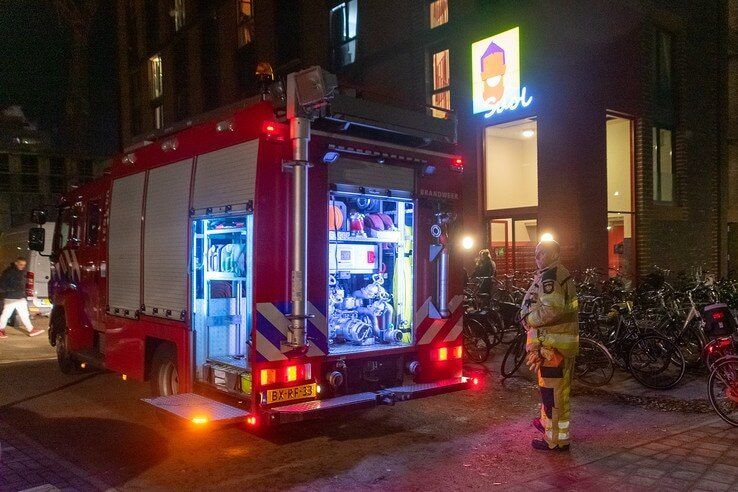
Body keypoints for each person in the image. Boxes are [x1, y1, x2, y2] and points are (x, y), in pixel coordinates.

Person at [520, 239, 579, 451]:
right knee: (550, 392)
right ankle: (548, 426)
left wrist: (529, 319)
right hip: (553, 346)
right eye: (536, 253)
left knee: (554, 395)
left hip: (553, 347)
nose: (538, 257)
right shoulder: (554, 274)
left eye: (542, 253)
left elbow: (551, 310)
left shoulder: (551, 277)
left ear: (554, 254)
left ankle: (555, 440)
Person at [0, 257, 44, 339]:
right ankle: (0, 329)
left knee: (24, 315)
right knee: (6, 314)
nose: (22, 266)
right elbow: (2, 284)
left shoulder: (21, 272)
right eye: (21, 264)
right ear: (16, 263)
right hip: (11, 298)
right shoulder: (8, 272)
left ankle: (31, 329)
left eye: (24, 265)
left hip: (20, 297)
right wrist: (11, 290)